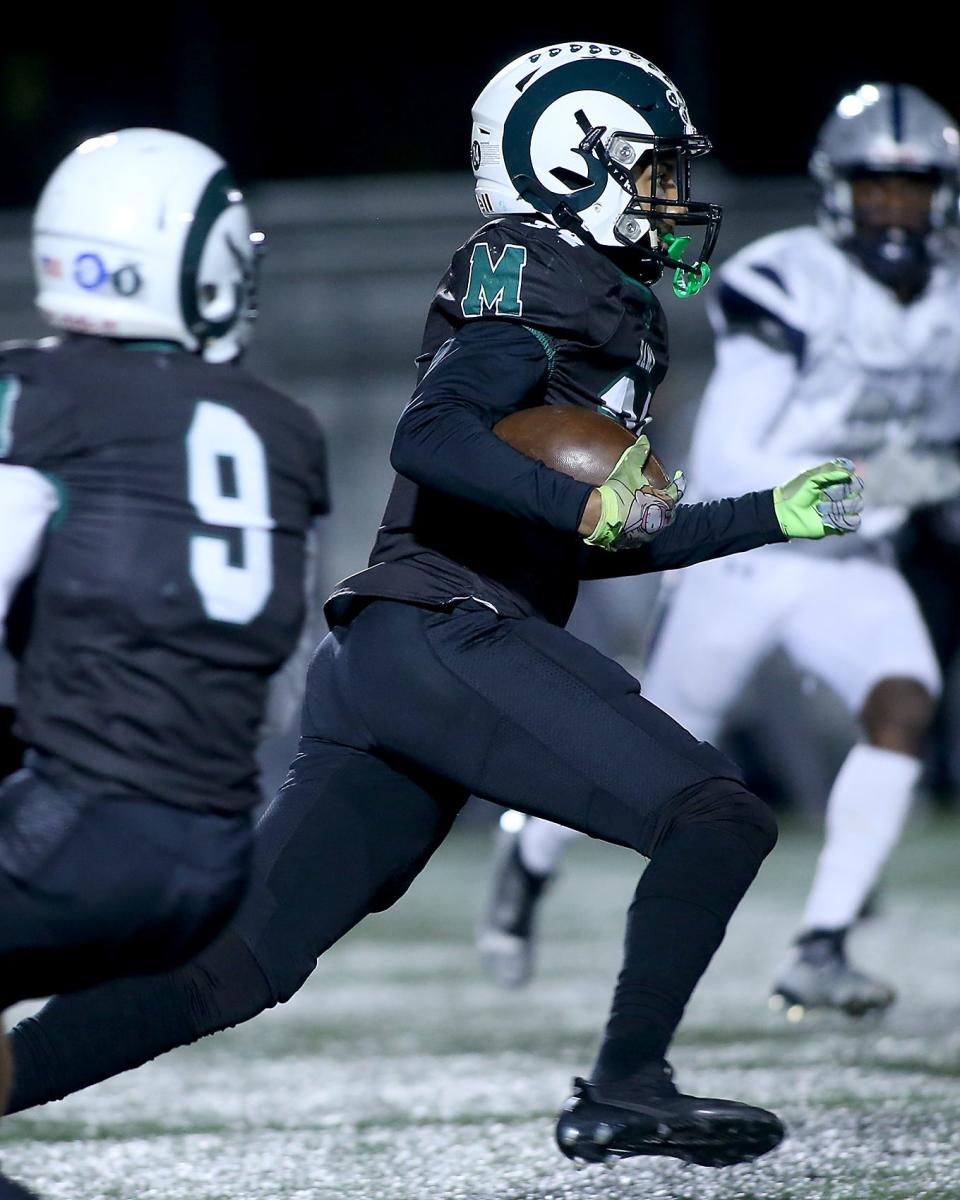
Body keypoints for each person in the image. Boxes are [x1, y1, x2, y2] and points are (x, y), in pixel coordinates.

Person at [5, 47, 862, 1171]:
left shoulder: (610, 309)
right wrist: (580, 493)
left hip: (404, 653)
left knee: (232, 970)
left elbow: (583, 537)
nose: (671, 198)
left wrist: (767, 516)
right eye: (649, 171)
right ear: (571, 169)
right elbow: (434, 433)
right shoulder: (534, 272)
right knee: (717, 815)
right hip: (446, 629)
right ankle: (624, 1086)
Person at [478, 82, 960, 1016]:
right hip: (751, 549)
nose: (893, 208)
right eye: (876, 188)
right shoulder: (790, 279)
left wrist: (923, 477)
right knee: (643, 744)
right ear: (837, 190)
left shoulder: (951, 299)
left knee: (904, 706)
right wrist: (892, 476)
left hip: (853, 561)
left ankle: (821, 943)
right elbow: (738, 457)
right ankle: (528, 854)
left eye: (912, 189)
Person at [0, 128, 328, 1193]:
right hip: (211, 854)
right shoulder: (282, 430)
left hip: (81, 831)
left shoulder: (41, 396)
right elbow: (271, 676)